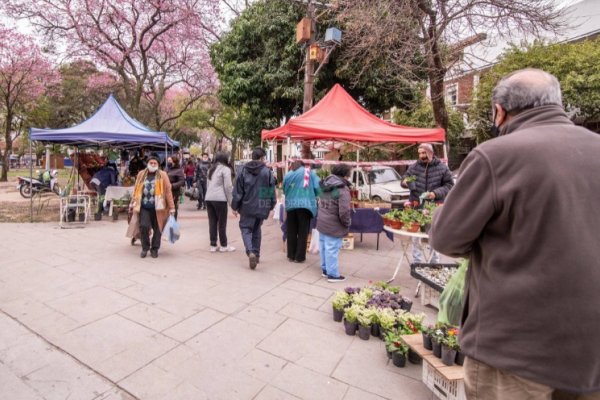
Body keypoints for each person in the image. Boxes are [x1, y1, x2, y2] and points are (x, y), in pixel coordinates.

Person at [430, 69, 600, 400]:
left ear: (500, 110)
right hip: (591, 351)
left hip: (515, 348)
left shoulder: (496, 156)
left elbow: (446, 238)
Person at [402, 143, 453, 263]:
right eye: (419, 153)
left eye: (423, 153)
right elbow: (405, 178)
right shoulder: (414, 167)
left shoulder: (442, 168)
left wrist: (435, 193)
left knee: (433, 234)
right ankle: (417, 262)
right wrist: (406, 182)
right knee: (415, 236)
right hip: (416, 205)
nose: (421, 156)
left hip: (433, 206)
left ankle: (434, 262)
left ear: (430, 153)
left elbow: (449, 185)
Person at [231, 147, 276, 269]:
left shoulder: (243, 170)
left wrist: (234, 206)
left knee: (245, 229)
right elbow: (270, 190)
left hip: (246, 206)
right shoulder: (267, 172)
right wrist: (271, 205)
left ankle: (250, 251)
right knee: (257, 229)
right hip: (261, 206)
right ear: (261, 158)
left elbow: (238, 191)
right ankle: (256, 254)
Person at [126, 156, 175, 258]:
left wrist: (172, 207)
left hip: (159, 208)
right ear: (147, 164)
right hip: (144, 206)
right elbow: (136, 189)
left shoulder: (163, 175)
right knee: (144, 226)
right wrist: (132, 202)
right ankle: (145, 248)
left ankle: (155, 248)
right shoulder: (141, 174)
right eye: (151, 163)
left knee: (158, 229)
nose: (153, 165)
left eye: (155, 163)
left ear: (158, 164)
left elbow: (168, 192)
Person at [316, 164, 352, 282]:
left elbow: (320, 202)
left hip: (322, 220)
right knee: (332, 248)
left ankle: (326, 270)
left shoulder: (326, 183)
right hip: (333, 224)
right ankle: (332, 275)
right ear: (345, 175)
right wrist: (347, 223)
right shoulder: (342, 189)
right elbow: (344, 211)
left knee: (324, 247)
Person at [283, 160, 320, 263]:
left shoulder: (288, 174)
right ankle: (299, 257)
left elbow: (285, 190)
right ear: (303, 165)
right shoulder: (309, 172)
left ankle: (291, 255)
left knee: (291, 230)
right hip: (305, 205)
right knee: (303, 232)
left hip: (291, 205)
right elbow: (318, 187)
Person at [205, 152, 235, 252]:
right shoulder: (226, 169)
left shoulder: (211, 169)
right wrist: (231, 202)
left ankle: (213, 245)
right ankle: (224, 245)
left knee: (212, 222)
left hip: (209, 198)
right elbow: (228, 187)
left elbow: (208, 185)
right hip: (220, 199)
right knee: (222, 223)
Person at [166, 155, 185, 220]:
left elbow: (182, 182)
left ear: (174, 162)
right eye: (168, 161)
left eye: (170, 161)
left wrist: (172, 185)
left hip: (174, 192)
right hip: (165, 192)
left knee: (173, 208)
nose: (168, 162)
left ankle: (173, 223)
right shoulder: (166, 169)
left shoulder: (179, 170)